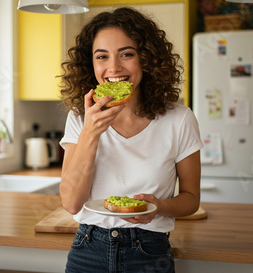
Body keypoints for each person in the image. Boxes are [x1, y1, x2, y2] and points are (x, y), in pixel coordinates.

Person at [58, 7, 203, 273]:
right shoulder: (80, 118)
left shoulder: (179, 119)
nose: (113, 67)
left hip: (149, 251)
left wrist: (160, 207)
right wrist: (91, 132)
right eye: (102, 56)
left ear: (147, 59)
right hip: (87, 249)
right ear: (90, 64)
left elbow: (191, 199)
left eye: (127, 54)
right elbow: (70, 203)